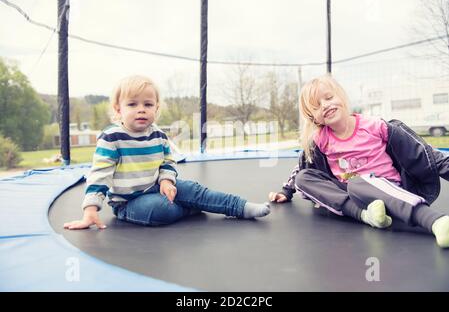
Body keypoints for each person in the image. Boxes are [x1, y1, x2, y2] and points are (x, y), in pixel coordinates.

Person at [64, 75, 270, 230]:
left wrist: (166, 181)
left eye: (148, 104)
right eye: (132, 104)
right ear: (118, 110)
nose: (141, 109)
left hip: (159, 187)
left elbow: (168, 162)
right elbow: (100, 174)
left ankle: (240, 207)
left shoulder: (159, 135)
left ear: (156, 108)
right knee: (160, 209)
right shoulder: (112, 137)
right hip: (129, 203)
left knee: (194, 189)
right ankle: (193, 206)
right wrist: (90, 209)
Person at [269, 74, 449, 248]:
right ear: (313, 118)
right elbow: (303, 165)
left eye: (329, 97)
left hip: (391, 189)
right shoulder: (320, 139)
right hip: (354, 196)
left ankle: (435, 221)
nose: (324, 105)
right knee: (304, 178)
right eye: (316, 106)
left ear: (341, 96)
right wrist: (286, 190)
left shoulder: (374, 126)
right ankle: (367, 216)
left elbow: (423, 153)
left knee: (357, 183)